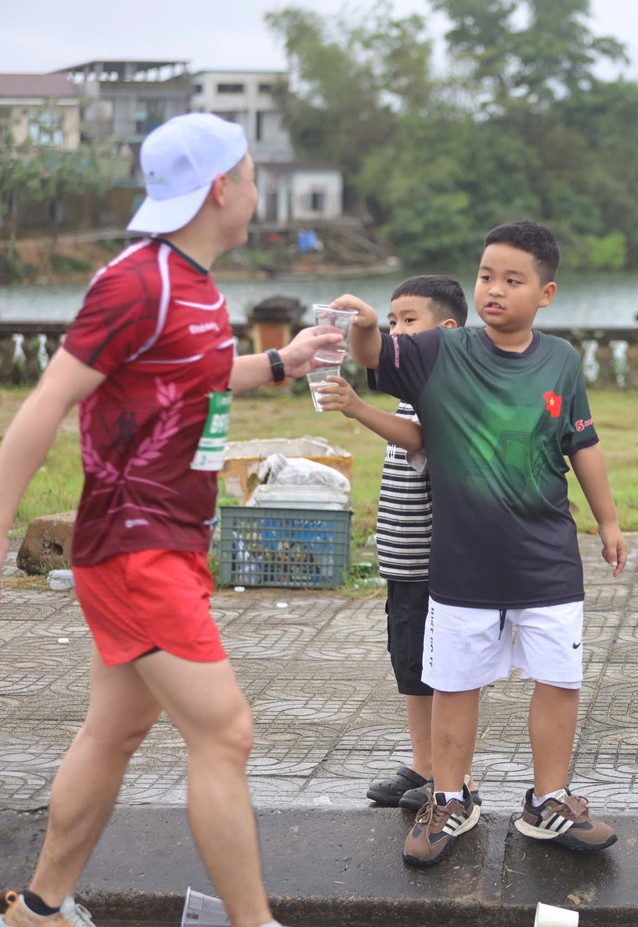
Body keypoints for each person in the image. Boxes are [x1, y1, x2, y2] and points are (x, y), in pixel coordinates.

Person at [0, 114, 341, 927]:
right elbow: (47, 400)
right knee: (225, 731)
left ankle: (38, 909)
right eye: (252, 175)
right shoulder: (137, 282)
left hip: (171, 543)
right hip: (133, 546)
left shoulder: (193, 284)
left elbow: (197, 373)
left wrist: (283, 361)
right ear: (221, 188)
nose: (257, 189)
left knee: (113, 731)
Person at [333, 220, 627, 869]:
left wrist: (607, 522)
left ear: (545, 293)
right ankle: (449, 798)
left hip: (547, 558)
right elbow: (375, 354)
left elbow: (583, 443)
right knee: (454, 683)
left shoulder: (561, 361)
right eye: (486, 276)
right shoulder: (441, 350)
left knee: (559, 679)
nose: (494, 289)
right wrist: (362, 324)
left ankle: (548, 801)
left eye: (512, 280)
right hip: (462, 562)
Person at [312, 275, 467, 810]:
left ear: (447, 331)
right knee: (410, 665)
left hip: (436, 566)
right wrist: (365, 330)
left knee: (443, 672)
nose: (396, 332)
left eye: (408, 321)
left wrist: (357, 408)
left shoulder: (443, 383)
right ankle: (424, 764)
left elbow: (425, 439)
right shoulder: (408, 390)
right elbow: (373, 354)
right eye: (392, 321)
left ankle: (451, 773)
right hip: (404, 563)